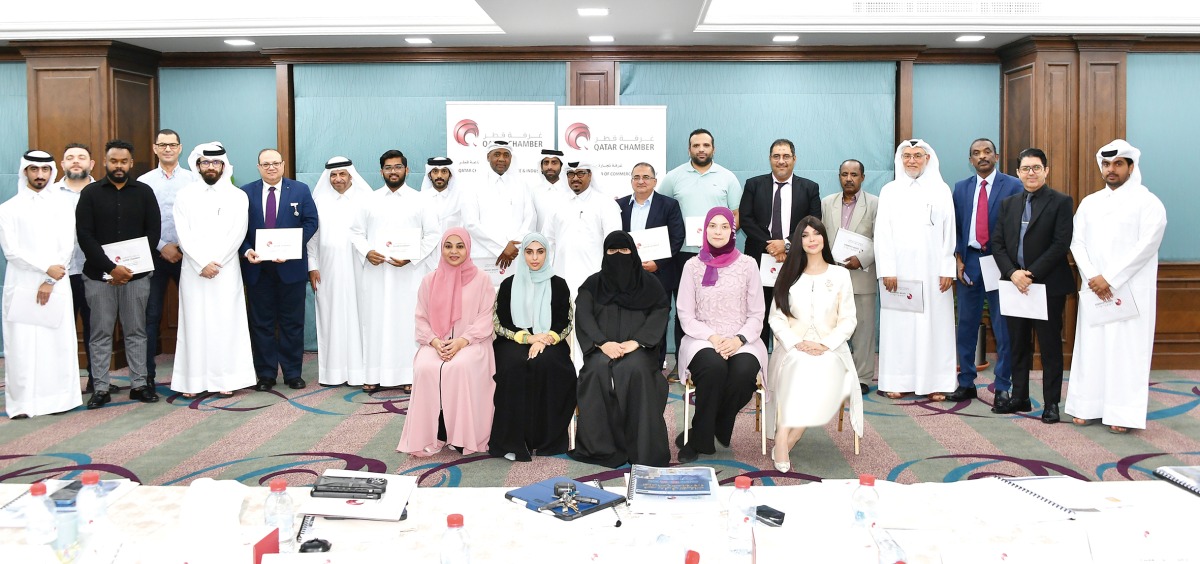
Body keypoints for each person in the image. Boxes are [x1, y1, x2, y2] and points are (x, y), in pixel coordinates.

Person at [1066, 139, 1167, 434]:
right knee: (1092, 348)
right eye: (1107, 164)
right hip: (1095, 288)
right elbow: (1077, 242)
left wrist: (1111, 278)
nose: (1111, 170)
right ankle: (1087, 406)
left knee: (1126, 351)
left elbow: (1146, 246)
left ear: (1131, 167)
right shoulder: (1090, 202)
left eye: (1118, 164)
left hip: (1129, 290)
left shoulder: (1148, 203)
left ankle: (1122, 413)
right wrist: (1093, 275)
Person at [568, 231, 671, 468]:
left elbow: (659, 312)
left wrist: (637, 342)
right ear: (604, 254)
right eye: (612, 251)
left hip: (639, 350)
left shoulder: (650, 284)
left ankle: (643, 450)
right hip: (602, 348)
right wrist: (602, 343)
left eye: (624, 250)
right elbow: (583, 316)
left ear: (633, 252)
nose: (618, 256)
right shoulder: (593, 284)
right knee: (595, 372)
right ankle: (601, 448)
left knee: (634, 369)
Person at [767, 216, 862, 472]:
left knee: (820, 368)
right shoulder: (788, 273)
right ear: (798, 241)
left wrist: (825, 345)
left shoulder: (840, 274)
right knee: (799, 365)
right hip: (791, 348)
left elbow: (848, 320)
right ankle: (785, 435)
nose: (811, 239)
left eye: (816, 233)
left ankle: (788, 437)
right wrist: (796, 343)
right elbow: (775, 318)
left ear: (824, 238)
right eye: (805, 235)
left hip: (830, 349)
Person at [675, 207, 767, 463]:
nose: (718, 231)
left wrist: (738, 339)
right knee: (714, 368)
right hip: (702, 337)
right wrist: (713, 338)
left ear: (733, 230)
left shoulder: (748, 265)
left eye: (724, 226)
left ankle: (707, 427)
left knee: (743, 373)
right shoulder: (692, 266)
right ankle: (702, 440)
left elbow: (757, 313)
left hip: (742, 338)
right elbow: (685, 314)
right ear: (704, 230)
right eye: (712, 226)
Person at [75, 139, 161, 408]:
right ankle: (100, 387)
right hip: (99, 277)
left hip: (137, 276)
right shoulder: (90, 193)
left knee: (136, 332)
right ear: (105, 162)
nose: (119, 166)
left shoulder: (144, 192)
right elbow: (85, 236)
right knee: (100, 333)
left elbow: (153, 232)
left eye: (124, 161)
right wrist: (111, 268)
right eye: (114, 161)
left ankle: (139, 384)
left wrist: (129, 269)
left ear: (131, 163)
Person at [990, 148, 1073, 423]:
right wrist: (1013, 273)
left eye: (1036, 168)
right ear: (1018, 173)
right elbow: (997, 244)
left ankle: (1051, 404)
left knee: (1049, 348)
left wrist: (1031, 274)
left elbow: (1060, 244)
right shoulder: (1008, 204)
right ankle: (1020, 397)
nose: (1031, 173)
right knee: (1017, 345)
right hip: (1014, 285)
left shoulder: (1061, 202)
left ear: (1046, 170)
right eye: (1025, 168)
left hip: (1046, 286)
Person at [397, 228, 497, 457]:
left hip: (472, 343)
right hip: (436, 343)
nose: (454, 251)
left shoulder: (482, 279)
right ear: (441, 249)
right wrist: (434, 341)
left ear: (468, 248)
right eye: (448, 246)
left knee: (459, 367)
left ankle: (462, 437)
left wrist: (462, 341)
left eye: (459, 246)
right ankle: (432, 435)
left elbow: (486, 317)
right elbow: (421, 318)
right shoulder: (430, 280)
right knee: (425, 367)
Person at [0, 150, 82, 418]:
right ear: (25, 172)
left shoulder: (62, 206)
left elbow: (66, 245)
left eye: (44, 170)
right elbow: (11, 251)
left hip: (56, 281)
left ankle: (58, 400)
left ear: (51, 172)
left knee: (56, 343)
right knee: (21, 345)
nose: (39, 175)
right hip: (21, 281)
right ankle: (23, 403)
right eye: (34, 170)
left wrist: (49, 277)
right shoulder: (8, 209)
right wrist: (42, 269)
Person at [170, 142, 254, 398]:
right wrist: (200, 263)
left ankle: (225, 379)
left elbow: (238, 234)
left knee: (225, 323)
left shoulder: (237, 196)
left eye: (215, 162)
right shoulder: (185, 195)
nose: (210, 167)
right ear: (197, 165)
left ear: (223, 166)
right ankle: (192, 382)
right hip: (194, 271)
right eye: (205, 162)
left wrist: (215, 262)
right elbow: (183, 234)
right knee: (193, 324)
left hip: (225, 270)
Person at [351, 150, 440, 392]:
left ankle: (409, 376)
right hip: (377, 273)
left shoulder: (421, 200)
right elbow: (356, 233)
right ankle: (373, 375)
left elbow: (433, 234)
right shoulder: (368, 200)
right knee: (375, 321)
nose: (393, 171)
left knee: (407, 323)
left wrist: (413, 257)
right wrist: (368, 251)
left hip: (409, 273)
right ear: (381, 172)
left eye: (398, 167)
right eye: (388, 167)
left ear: (407, 170)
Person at [874, 139, 956, 401]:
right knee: (899, 327)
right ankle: (897, 380)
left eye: (917, 156)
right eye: (907, 156)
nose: (911, 160)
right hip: (898, 273)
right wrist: (887, 269)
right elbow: (882, 233)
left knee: (934, 327)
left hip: (933, 274)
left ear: (927, 159)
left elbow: (949, 232)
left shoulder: (941, 190)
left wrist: (947, 268)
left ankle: (935, 382)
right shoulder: (889, 191)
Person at [655, 129, 743, 365]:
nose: (701, 149)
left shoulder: (727, 178)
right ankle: (682, 364)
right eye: (696, 145)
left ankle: (716, 357)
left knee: (713, 309)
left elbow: (736, 217)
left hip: (718, 258)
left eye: (706, 145)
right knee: (681, 310)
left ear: (713, 148)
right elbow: (660, 210)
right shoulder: (673, 177)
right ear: (689, 149)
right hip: (681, 255)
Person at [488, 233, 577, 461]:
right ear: (523, 254)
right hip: (515, 339)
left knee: (550, 364)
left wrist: (546, 338)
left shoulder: (559, 284)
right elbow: (500, 322)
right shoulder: (509, 284)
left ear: (547, 253)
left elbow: (565, 322)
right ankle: (512, 441)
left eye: (540, 251)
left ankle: (548, 440)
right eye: (529, 252)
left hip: (549, 339)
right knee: (515, 365)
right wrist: (528, 339)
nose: (534, 257)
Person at [240, 148, 318, 391]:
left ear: (283, 165)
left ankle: (293, 373)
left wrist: (292, 246)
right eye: (266, 164)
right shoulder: (245, 193)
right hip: (258, 270)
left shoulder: (300, 190)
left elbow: (311, 221)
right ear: (258, 167)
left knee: (292, 323)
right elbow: (237, 229)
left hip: (291, 268)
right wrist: (247, 249)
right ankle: (265, 375)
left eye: (275, 163)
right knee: (261, 323)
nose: (271, 167)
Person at [949, 139, 1020, 406]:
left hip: (1001, 264)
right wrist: (957, 258)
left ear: (997, 156)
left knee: (1003, 328)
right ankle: (966, 382)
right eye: (976, 153)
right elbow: (955, 227)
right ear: (970, 160)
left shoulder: (1012, 185)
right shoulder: (961, 189)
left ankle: (1002, 386)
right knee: (966, 326)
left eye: (987, 152)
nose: (982, 157)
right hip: (970, 263)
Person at [739, 139, 821, 345]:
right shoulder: (753, 185)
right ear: (770, 159)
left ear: (794, 159)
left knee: (792, 310)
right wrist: (772, 245)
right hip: (759, 257)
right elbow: (746, 220)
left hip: (796, 259)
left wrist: (786, 244)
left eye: (786, 156)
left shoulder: (810, 188)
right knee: (760, 310)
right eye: (776, 156)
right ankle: (758, 364)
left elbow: (813, 222)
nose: (781, 161)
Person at [138, 129, 198, 388]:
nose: (168, 149)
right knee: (150, 316)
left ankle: (195, 372)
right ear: (155, 149)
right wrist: (163, 246)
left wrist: (183, 247)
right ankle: (147, 376)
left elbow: (200, 219)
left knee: (194, 312)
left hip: (188, 255)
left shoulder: (194, 180)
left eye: (172, 145)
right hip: (154, 255)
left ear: (180, 148)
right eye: (162, 145)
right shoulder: (144, 181)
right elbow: (139, 222)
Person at [307, 157, 372, 387]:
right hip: (328, 269)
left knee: (360, 316)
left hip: (360, 267)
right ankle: (333, 373)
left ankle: (361, 372)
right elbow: (312, 238)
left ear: (351, 175)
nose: (337, 179)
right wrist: (312, 266)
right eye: (333, 175)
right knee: (330, 316)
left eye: (342, 174)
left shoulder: (366, 199)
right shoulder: (319, 201)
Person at [617, 162, 685, 367]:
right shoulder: (619, 206)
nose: (641, 181)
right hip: (627, 276)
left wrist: (658, 263)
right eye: (636, 177)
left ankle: (656, 364)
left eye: (646, 177)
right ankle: (629, 362)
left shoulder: (669, 205)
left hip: (659, 274)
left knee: (657, 319)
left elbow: (677, 237)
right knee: (628, 317)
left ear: (655, 181)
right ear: (631, 181)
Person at [820, 159, 879, 396]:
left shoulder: (875, 204)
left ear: (862, 177)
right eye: (844, 174)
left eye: (854, 174)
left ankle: (862, 377)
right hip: (832, 277)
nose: (849, 179)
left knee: (863, 330)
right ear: (839, 176)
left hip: (861, 275)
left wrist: (862, 259)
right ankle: (834, 375)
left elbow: (881, 238)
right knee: (831, 329)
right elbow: (819, 235)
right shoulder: (827, 203)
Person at [51, 143, 100, 393]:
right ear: (62, 165)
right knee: (60, 329)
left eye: (81, 157)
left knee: (96, 329)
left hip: (94, 272)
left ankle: (97, 381)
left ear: (92, 164)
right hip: (61, 274)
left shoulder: (103, 191)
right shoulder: (50, 194)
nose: (75, 162)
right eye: (70, 158)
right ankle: (63, 383)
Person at [462, 140, 535, 286]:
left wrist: (513, 247)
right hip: (484, 257)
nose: (501, 159)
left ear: (510, 159)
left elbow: (530, 219)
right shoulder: (473, 185)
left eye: (506, 155)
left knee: (512, 301)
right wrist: (502, 247)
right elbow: (471, 223)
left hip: (515, 256)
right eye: (497, 154)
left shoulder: (521, 185)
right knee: (483, 301)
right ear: (488, 157)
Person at [419, 157, 466, 246]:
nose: (439, 176)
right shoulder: (420, 199)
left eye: (444, 171)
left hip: (452, 253)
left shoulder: (459, 199)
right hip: (427, 255)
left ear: (450, 175)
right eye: (435, 171)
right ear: (429, 175)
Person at [531, 149, 571, 232]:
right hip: (540, 243)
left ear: (561, 166)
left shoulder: (570, 191)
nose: (549, 167)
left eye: (554, 163)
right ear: (541, 168)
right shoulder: (533, 192)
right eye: (546, 163)